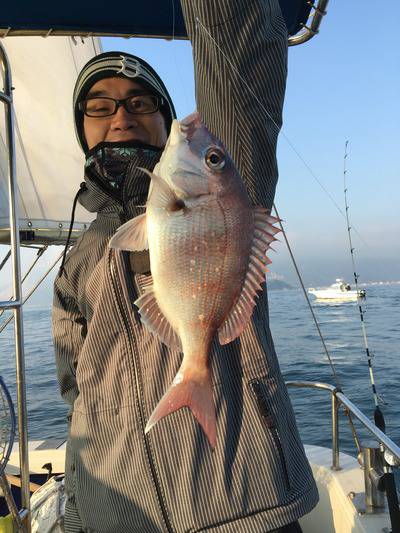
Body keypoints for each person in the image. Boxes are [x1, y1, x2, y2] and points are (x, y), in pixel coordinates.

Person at [53, 1, 319, 532]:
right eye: (100, 106)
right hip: (115, 517)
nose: (122, 116)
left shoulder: (228, 185)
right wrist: (81, 512)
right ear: (83, 128)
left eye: (140, 102)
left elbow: (242, 64)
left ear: (163, 117)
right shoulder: (79, 258)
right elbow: (76, 395)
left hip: (243, 505)